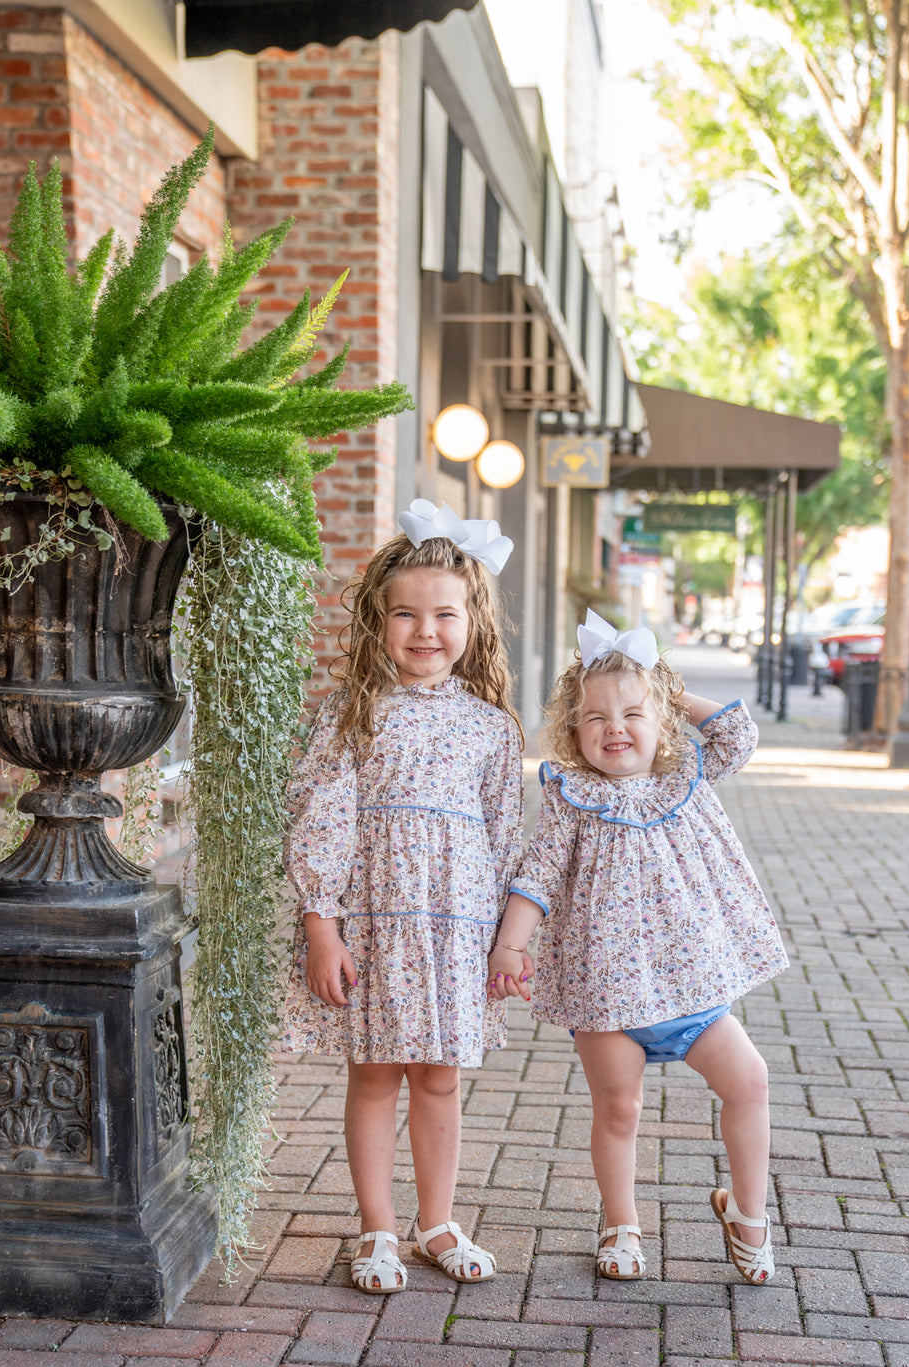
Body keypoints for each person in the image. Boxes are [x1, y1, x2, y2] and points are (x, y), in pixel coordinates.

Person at [488, 609, 787, 1285]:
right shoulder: (570, 798)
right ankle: (620, 1221)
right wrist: (511, 946)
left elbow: (738, 732)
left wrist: (663, 686)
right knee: (619, 1109)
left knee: (750, 1080)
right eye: (595, 718)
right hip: (607, 989)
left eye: (633, 715)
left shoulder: (688, 779)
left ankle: (747, 1212)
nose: (615, 729)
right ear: (572, 732)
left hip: (693, 985)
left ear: (662, 723)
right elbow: (535, 875)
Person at [283, 499, 525, 1295]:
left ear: (473, 623)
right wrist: (323, 929)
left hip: (455, 931)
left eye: (444, 615)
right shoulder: (352, 716)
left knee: (440, 1077)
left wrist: (504, 941)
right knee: (376, 1072)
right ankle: (377, 1230)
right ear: (377, 622)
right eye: (406, 615)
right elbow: (320, 825)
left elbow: (501, 839)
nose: (426, 631)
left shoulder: (492, 728)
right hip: (377, 926)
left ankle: (438, 1223)